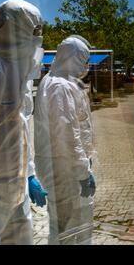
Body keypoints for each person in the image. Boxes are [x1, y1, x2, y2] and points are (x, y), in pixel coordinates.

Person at [0, 0, 48, 245]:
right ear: (14, 28)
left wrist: (30, 174)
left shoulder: (20, 74)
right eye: (34, 30)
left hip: (17, 193)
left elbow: (21, 130)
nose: (39, 39)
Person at [34, 36, 96, 245]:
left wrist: (85, 165)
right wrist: (82, 171)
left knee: (74, 224)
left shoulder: (63, 82)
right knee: (66, 229)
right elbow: (67, 135)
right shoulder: (59, 86)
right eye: (83, 59)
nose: (86, 66)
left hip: (68, 167)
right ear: (71, 58)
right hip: (64, 168)